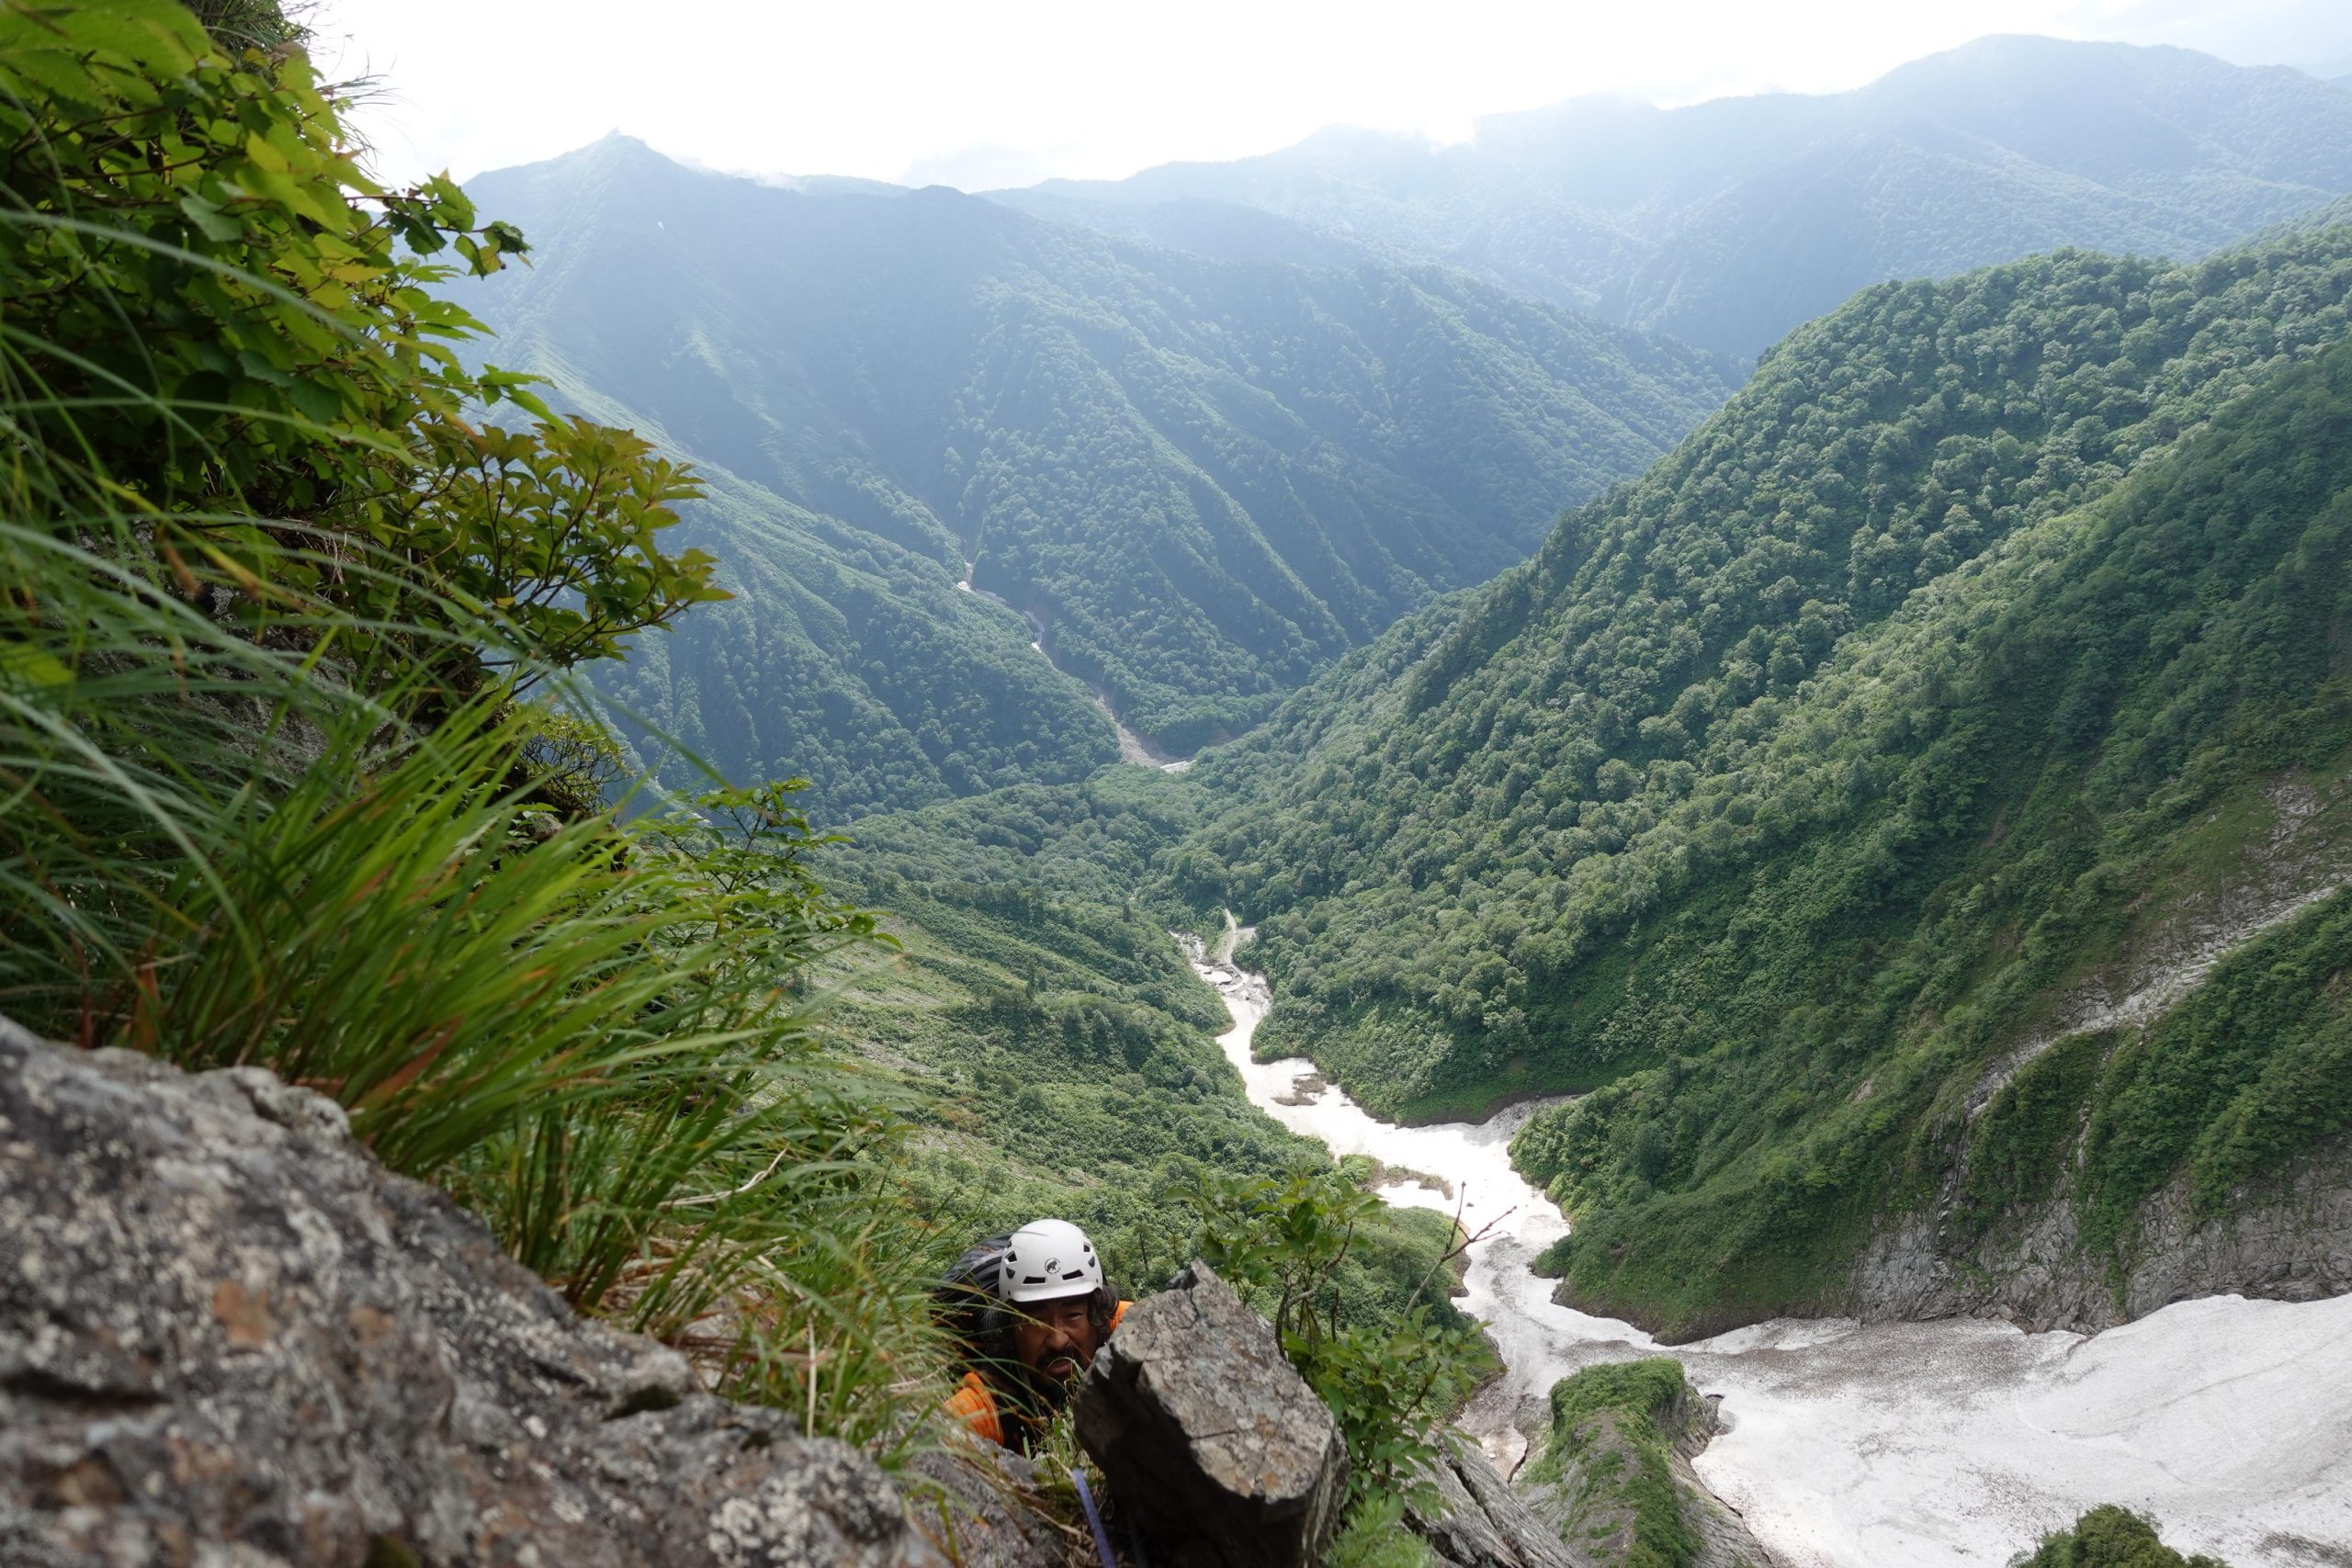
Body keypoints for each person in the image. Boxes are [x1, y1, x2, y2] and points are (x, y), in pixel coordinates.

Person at [940, 1217, 1129, 1452]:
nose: (1058, 1340)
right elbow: (930, 1446)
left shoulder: (1127, 1330)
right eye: (1035, 1321)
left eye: (1072, 1315)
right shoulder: (991, 1400)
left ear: (1096, 1313)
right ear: (1010, 1325)